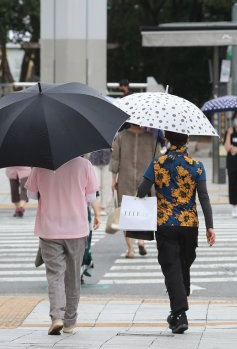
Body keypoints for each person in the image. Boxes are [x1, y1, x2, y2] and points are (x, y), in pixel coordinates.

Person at [137, 130, 215, 334]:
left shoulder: (157, 163)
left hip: (165, 224)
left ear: (167, 139)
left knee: (172, 267)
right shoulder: (197, 166)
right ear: (187, 139)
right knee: (182, 266)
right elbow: (204, 198)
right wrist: (210, 226)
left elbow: (141, 192)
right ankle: (177, 311)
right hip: (190, 225)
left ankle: (179, 312)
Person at [25, 156, 99, 336]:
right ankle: (70, 322)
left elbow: (31, 195)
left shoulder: (40, 165)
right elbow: (90, 196)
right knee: (73, 276)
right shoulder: (84, 165)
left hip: (49, 228)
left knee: (55, 275)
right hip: (77, 228)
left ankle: (57, 316)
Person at [110, 123, 159, 258]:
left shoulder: (120, 137)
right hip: (146, 181)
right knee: (143, 212)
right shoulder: (151, 138)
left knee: (126, 214)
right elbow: (158, 160)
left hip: (125, 180)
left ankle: (130, 249)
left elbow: (115, 159)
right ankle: (141, 241)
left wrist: (113, 179)